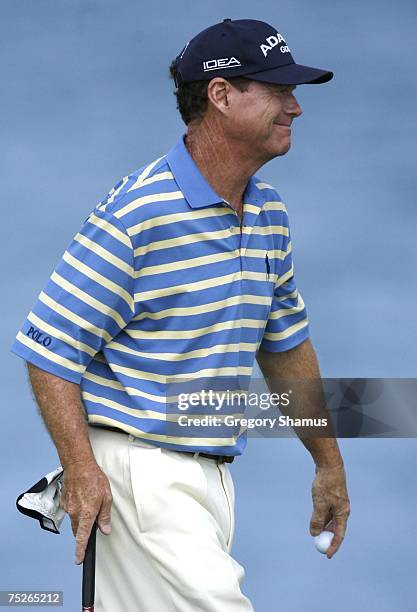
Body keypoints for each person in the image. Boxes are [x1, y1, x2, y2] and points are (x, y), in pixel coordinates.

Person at [12, 18, 350, 612]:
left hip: (212, 481)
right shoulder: (139, 212)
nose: (295, 107)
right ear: (220, 95)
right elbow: (49, 351)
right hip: (138, 479)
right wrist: (82, 472)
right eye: (276, 91)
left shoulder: (269, 211)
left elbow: (285, 345)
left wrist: (328, 463)